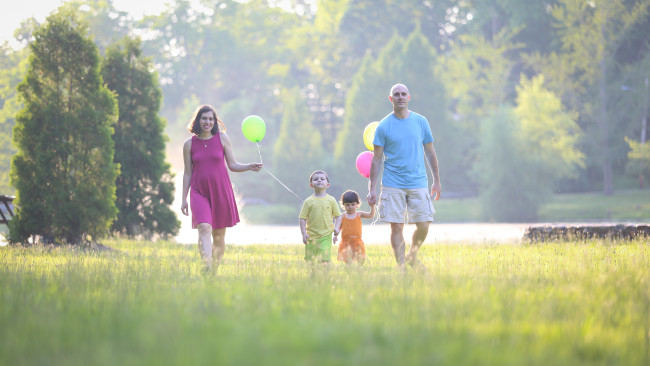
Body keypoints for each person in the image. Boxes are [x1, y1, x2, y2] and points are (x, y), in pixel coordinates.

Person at [366, 83, 441, 270]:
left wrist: (436, 181)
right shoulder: (383, 126)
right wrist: (372, 189)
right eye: (396, 94)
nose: (400, 97)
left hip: (418, 181)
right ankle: (401, 267)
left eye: (403, 94)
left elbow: (430, 152)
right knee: (396, 227)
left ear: (409, 97)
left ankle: (412, 255)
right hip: (392, 183)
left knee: (424, 224)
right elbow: (376, 159)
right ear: (391, 99)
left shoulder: (421, 121)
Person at [181, 104, 262, 272]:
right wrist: (183, 199)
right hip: (198, 191)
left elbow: (232, 164)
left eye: (211, 119)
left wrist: (249, 166)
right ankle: (207, 266)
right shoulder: (189, 144)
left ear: (215, 121)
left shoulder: (222, 138)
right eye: (204, 118)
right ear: (198, 120)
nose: (207, 122)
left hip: (220, 190)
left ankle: (214, 270)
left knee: (218, 236)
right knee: (204, 227)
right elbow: (187, 173)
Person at [299, 170, 342, 264]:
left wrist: (337, 227)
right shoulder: (308, 201)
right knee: (310, 261)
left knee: (325, 260)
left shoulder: (331, 200)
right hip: (311, 236)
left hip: (326, 235)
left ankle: (325, 277)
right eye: (316, 179)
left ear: (327, 184)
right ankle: (312, 277)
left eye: (322, 179)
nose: (319, 180)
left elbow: (338, 216)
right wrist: (303, 233)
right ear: (311, 185)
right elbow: (302, 218)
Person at [337, 190, 376, 265]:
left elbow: (371, 215)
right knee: (348, 261)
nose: (350, 207)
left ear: (357, 204)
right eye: (347, 205)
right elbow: (339, 227)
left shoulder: (359, 214)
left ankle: (359, 271)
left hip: (357, 241)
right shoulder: (342, 216)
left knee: (361, 259)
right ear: (343, 205)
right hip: (346, 242)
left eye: (352, 204)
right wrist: (335, 236)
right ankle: (349, 273)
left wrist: (372, 207)